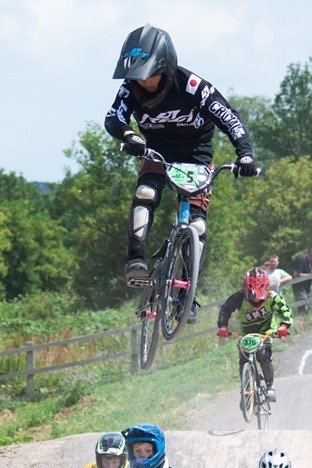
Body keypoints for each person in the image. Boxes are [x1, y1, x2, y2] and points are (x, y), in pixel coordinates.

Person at [106, 24, 258, 293]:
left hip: (196, 154)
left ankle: (186, 293)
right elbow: (113, 117)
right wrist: (129, 136)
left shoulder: (191, 85)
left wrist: (245, 155)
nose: (143, 83)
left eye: (149, 75)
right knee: (145, 192)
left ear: (164, 66)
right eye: (137, 76)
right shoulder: (130, 89)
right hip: (156, 150)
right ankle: (136, 259)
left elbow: (229, 117)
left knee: (197, 224)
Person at [217, 268, 293, 402]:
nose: (256, 302)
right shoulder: (238, 297)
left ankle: (270, 387)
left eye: (259, 300)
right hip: (247, 334)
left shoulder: (272, 296)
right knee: (243, 359)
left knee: (263, 355)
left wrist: (284, 326)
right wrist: (223, 326)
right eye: (253, 299)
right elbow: (225, 309)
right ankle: (245, 391)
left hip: (266, 332)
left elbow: (285, 310)